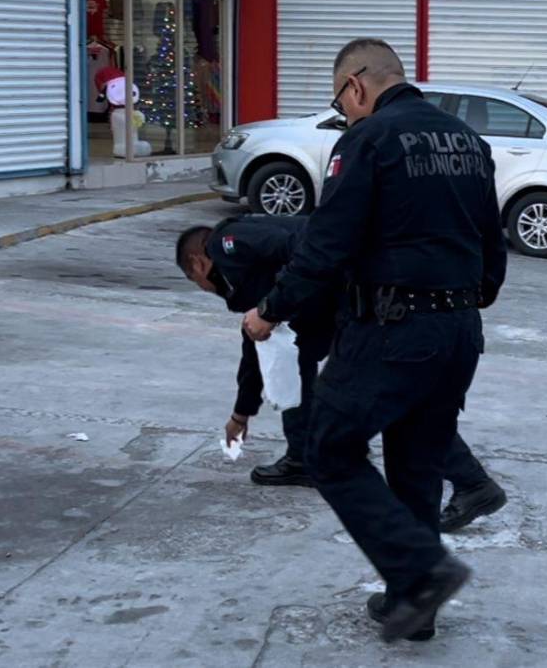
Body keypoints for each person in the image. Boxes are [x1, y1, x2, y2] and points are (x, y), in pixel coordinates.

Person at [241, 39, 507, 642]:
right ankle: (413, 611)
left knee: (329, 449)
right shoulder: (469, 141)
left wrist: (270, 309)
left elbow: (325, 245)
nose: (344, 112)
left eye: (342, 101)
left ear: (356, 85)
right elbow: (492, 247)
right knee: (416, 466)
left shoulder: (368, 140)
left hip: (392, 327)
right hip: (459, 331)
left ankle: (421, 571)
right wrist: (468, 299)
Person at [175, 215, 508, 533]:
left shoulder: (227, 241)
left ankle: (473, 484)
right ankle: (302, 456)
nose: (203, 287)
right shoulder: (244, 276)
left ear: (197, 263)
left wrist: (279, 300)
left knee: (385, 396)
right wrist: (241, 413)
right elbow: (258, 343)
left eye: (195, 280)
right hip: (333, 307)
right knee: (293, 360)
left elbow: (302, 243)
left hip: (364, 300)